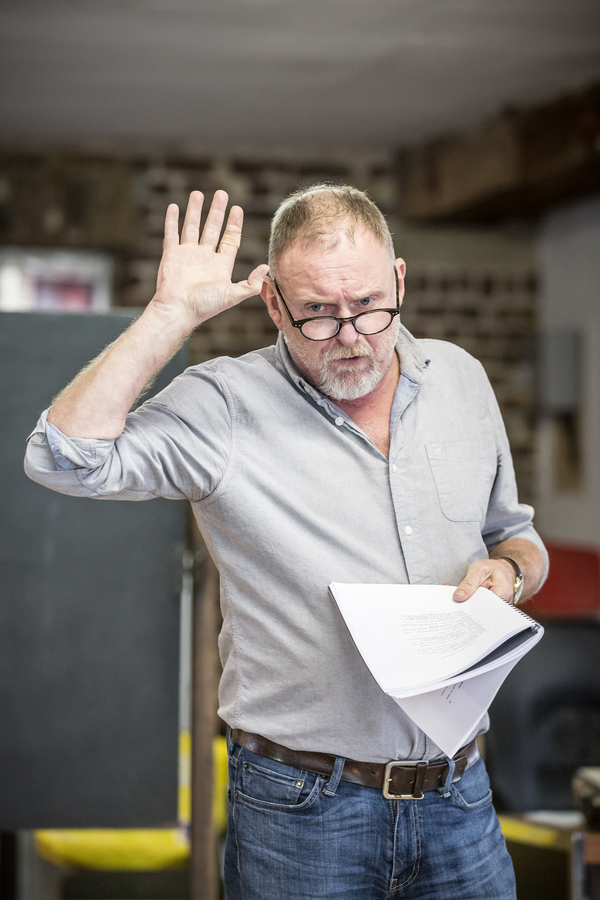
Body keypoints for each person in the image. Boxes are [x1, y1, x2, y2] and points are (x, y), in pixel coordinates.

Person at [25, 184, 548, 900]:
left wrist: (510, 575)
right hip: (303, 811)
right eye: (319, 316)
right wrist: (169, 315)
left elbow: (515, 536)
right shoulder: (224, 407)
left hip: (462, 798)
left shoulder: (461, 378)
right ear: (273, 303)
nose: (353, 336)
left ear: (398, 281)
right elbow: (62, 457)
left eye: (368, 305)